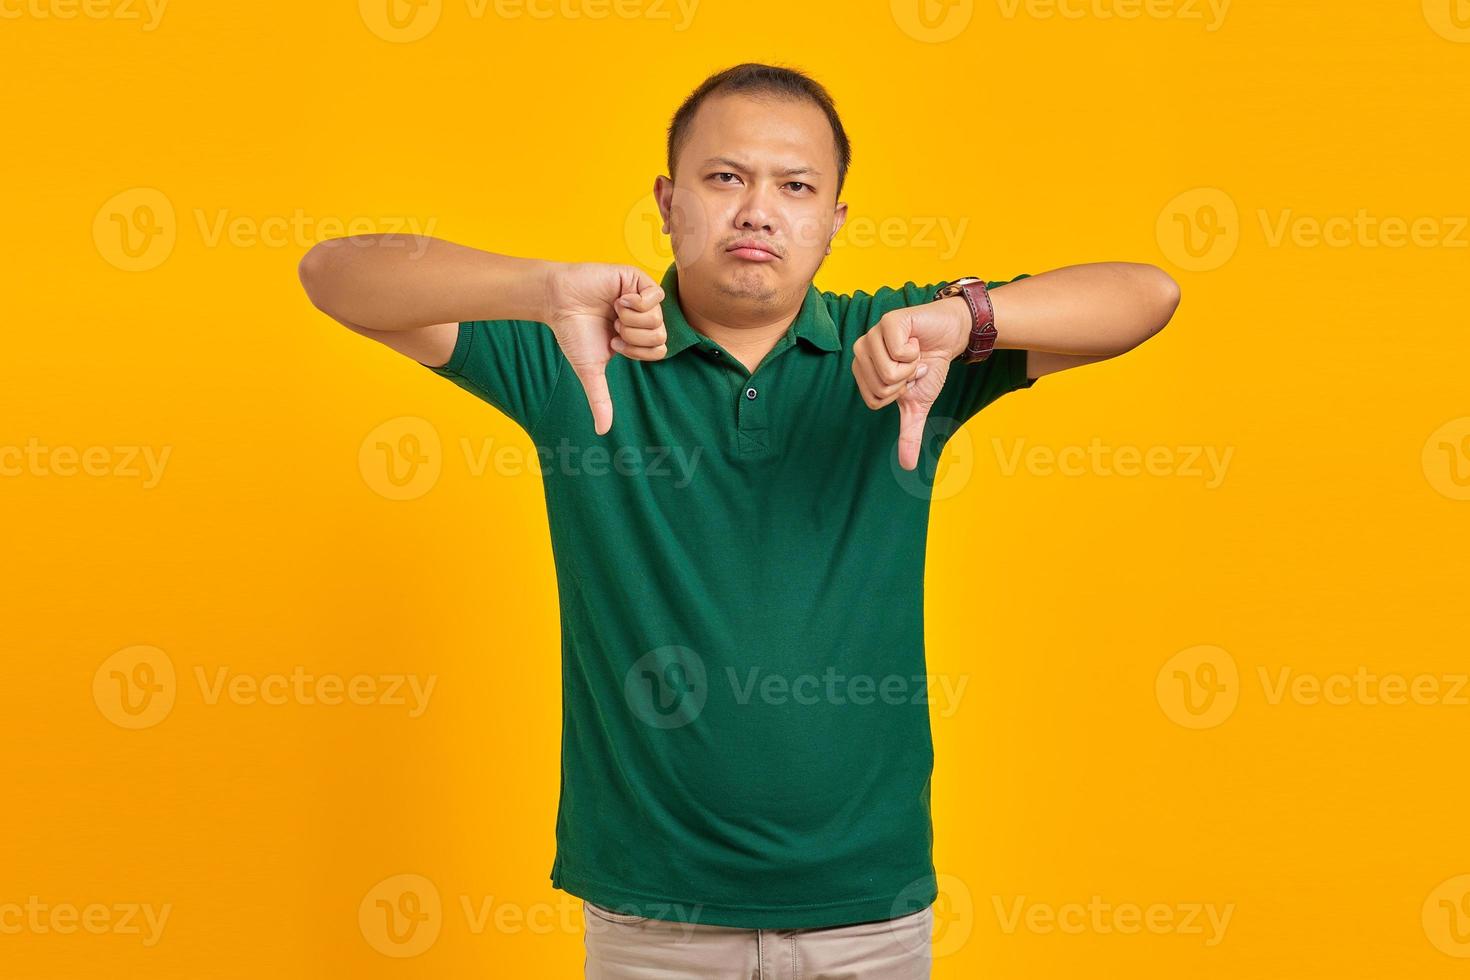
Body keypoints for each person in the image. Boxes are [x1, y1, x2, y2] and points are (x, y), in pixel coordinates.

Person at [298, 62, 1179, 980]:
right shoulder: (577, 343)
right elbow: (334, 275)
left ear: (833, 223)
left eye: (796, 187)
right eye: (726, 179)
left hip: (866, 915)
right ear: (668, 202)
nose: (759, 210)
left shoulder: (901, 344)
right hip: (652, 920)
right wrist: (541, 286)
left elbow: (1146, 295)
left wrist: (968, 321)